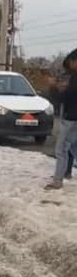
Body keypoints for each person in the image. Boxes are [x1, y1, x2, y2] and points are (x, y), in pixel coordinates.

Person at [45, 49, 77, 189]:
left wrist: (53, 87)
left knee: (61, 149)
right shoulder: (73, 78)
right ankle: (62, 175)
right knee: (74, 149)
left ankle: (58, 180)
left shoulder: (75, 78)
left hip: (72, 118)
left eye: (70, 63)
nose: (69, 66)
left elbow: (64, 99)